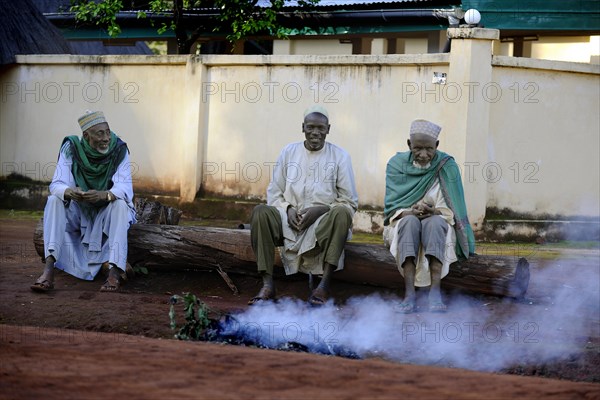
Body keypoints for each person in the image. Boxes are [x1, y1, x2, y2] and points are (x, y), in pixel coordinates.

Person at [248, 105, 359, 306]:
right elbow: (274, 193)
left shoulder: (340, 157)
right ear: (303, 128)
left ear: (328, 129)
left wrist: (321, 210)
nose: (315, 132)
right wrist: (287, 209)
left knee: (342, 213)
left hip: (322, 223)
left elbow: (349, 201)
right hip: (288, 220)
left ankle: (323, 286)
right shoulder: (288, 152)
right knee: (260, 212)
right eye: (310, 127)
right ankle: (267, 285)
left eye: (321, 128)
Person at [30, 111, 136, 293]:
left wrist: (104, 195)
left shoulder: (119, 149)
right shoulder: (71, 148)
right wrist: (70, 192)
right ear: (86, 136)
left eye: (108, 132)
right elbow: (56, 184)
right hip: (80, 211)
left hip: (106, 211)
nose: (106, 138)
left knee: (120, 205)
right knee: (55, 200)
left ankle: (114, 272)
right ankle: (48, 269)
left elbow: (125, 187)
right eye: (100, 133)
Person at [383, 119, 475, 313]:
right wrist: (409, 211)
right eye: (417, 148)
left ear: (437, 146)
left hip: (438, 220)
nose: (423, 154)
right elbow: (392, 209)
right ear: (409, 145)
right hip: (404, 220)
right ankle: (409, 294)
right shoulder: (396, 164)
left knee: (434, 224)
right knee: (409, 223)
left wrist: (434, 211)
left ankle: (435, 293)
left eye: (429, 149)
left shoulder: (446, 165)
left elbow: (452, 209)